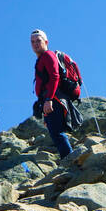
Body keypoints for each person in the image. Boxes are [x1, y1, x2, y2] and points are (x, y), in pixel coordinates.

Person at [31, 29, 78, 158]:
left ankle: (69, 160)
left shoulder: (48, 55)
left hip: (54, 99)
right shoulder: (41, 59)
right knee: (55, 131)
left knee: (57, 132)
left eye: (38, 40)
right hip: (50, 99)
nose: (35, 44)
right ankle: (68, 159)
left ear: (46, 42)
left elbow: (55, 76)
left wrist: (49, 99)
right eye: (33, 41)